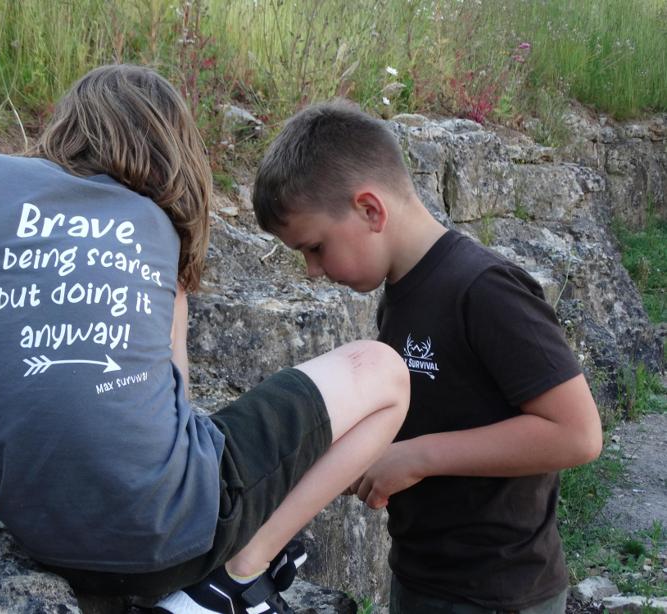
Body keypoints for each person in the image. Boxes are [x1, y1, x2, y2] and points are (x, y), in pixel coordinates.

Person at [0, 65, 410, 614]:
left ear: (69, 122)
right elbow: (174, 395)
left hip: (37, 536)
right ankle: (236, 575)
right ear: (169, 147)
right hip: (173, 543)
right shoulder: (159, 224)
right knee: (383, 372)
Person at [251, 99, 603, 614]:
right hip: (423, 579)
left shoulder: (485, 290)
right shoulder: (401, 292)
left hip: (501, 593)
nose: (311, 271)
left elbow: (577, 433)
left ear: (370, 209)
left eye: (315, 247)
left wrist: (418, 457)